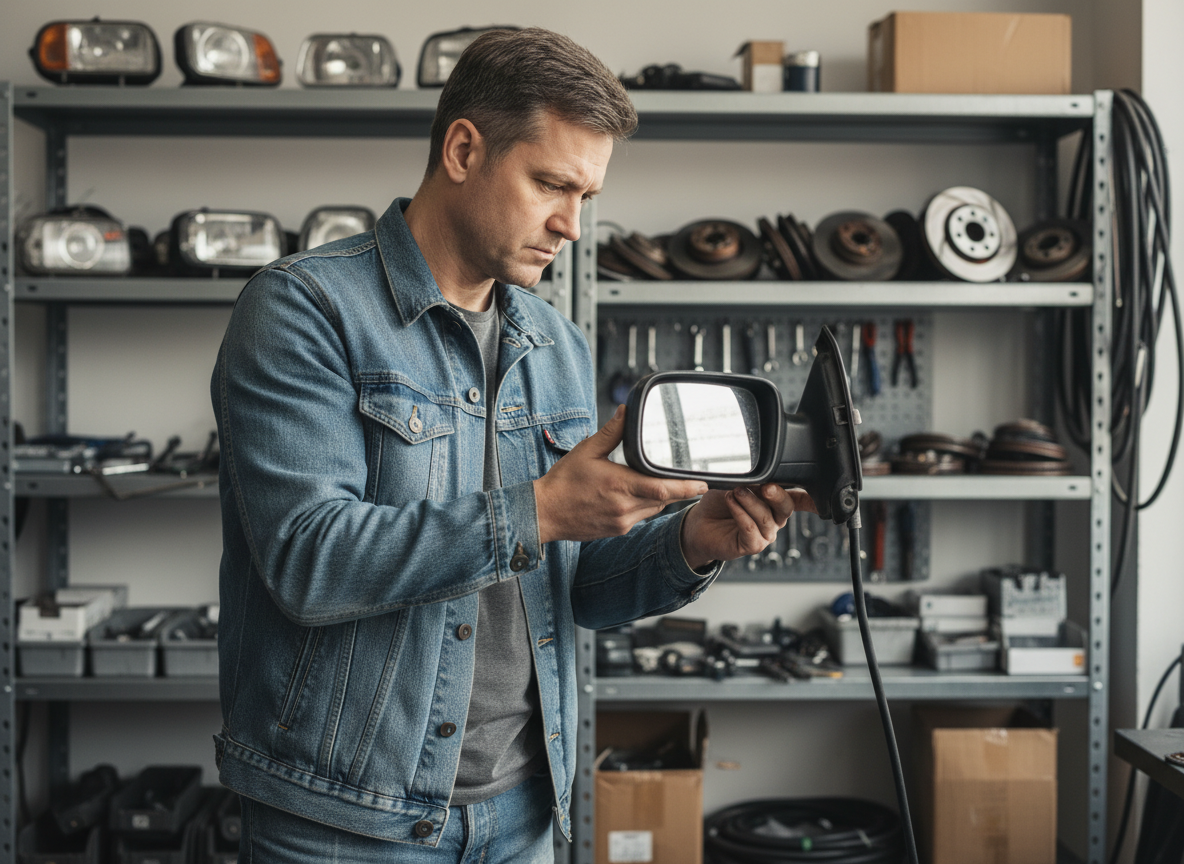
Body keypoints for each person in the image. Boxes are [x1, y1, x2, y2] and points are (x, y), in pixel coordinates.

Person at [211, 27, 807, 864]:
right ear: (463, 149)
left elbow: (570, 590)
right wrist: (538, 509)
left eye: (585, 197)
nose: (570, 224)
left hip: (523, 813)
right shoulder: (304, 311)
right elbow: (310, 563)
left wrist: (687, 543)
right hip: (347, 824)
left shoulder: (552, 344)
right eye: (551, 184)